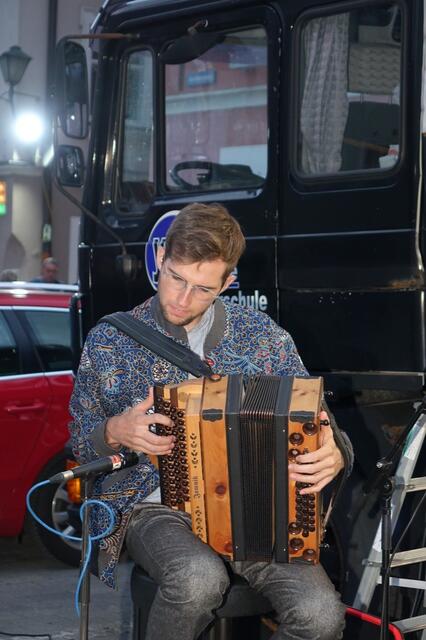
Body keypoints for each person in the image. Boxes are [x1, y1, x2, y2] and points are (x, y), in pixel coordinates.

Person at [70, 203, 353, 640]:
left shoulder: (264, 338)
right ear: (161, 258)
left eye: (203, 289)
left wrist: (335, 453)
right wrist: (114, 431)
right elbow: (79, 442)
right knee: (197, 579)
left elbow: (321, 422)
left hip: (253, 508)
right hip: (153, 506)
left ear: (227, 282)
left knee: (321, 615)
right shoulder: (110, 340)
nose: (182, 299)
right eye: (175, 278)